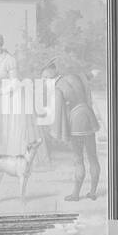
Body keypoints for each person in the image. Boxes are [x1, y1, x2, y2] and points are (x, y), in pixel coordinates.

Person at [43, 58, 101, 201]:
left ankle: (75, 194)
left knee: (78, 159)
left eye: (45, 78)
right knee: (93, 157)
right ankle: (93, 193)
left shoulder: (57, 89)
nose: (45, 81)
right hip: (88, 115)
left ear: (49, 76)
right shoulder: (74, 76)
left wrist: (55, 132)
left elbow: (58, 115)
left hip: (76, 122)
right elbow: (88, 76)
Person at [0, 32, 39, 160]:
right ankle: (1, 156)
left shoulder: (10, 60)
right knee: (1, 127)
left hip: (13, 96)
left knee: (12, 127)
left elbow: (15, 83)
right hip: (0, 96)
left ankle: (15, 157)